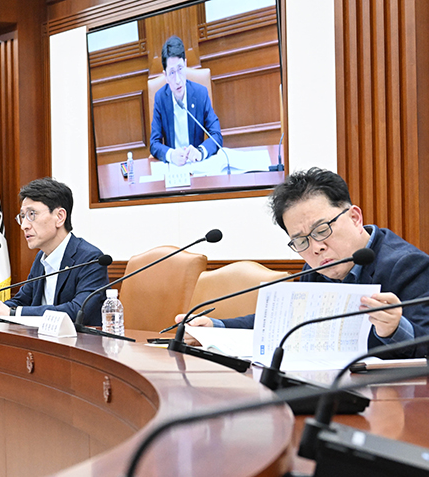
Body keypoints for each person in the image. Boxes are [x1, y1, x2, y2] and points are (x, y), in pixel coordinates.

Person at [181, 168, 429, 358]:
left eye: (322, 230)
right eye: (301, 241)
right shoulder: (316, 269)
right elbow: (284, 322)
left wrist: (396, 328)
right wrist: (216, 326)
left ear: (354, 217)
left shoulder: (408, 265)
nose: (316, 247)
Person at [0, 178, 109, 326]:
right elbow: (22, 299)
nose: (24, 226)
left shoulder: (91, 258)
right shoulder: (42, 257)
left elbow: (78, 311)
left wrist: (13, 313)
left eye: (32, 214)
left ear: (60, 217)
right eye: (22, 216)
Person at [150, 36, 223, 166]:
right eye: (172, 73)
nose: (178, 80)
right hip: (174, 168)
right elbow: (154, 144)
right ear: (165, 76)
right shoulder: (160, 99)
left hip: (197, 166)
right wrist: (171, 155)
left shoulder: (201, 94)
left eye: (180, 69)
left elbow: (216, 135)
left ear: (186, 64)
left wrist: (201, 152)